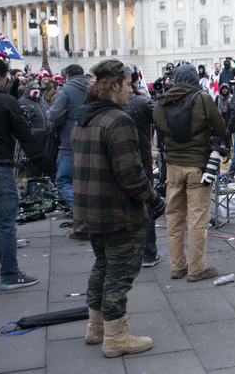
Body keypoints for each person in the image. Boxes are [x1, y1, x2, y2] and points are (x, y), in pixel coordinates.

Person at [72, 60, 166, 358]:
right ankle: (115, 337)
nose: (132, 89)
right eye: (128, 84)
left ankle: (96, 328)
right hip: (118, 211)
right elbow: (131, 174)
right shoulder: (117, 120)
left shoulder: (85, 118)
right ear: (113, 85)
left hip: (91, 209)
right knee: (120, 272)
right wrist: (154, 199)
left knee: (102, 265)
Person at [153, 64, 226, 282]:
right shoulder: (202, 99)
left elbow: (159, 132)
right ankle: (196, 269)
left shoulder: (161, 102)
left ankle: (177, 266)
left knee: (174, 219)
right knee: (197, 219)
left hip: (173, 167)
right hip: (198, 167)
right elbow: (220, 127)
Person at [0, 52, 48, 290]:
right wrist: (46, 165)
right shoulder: (5, 102)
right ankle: (10, 274)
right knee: (5, 225)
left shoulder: (6, 100)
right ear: (2, 76)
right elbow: (25, 136)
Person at [124, 66, 162, 268]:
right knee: (146, 205)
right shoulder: (141, 103)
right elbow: (162, 119)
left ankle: (130, 252)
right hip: (141, 160)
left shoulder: (107, 104)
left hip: (119, 162)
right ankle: (148, 253)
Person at [50, 64, 93, 231]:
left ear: (66, 76)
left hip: (69, 144)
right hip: (92, 144)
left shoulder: (65, 92)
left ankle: (82, 213)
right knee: (88, 183)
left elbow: (54, 119)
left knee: (63, 180)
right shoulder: (93, 90)